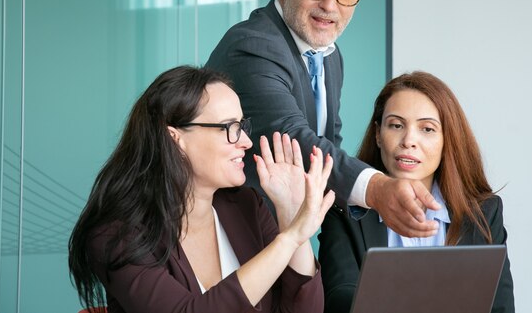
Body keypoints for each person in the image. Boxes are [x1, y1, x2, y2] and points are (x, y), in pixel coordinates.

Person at [206, 0, 439, 237]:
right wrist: (377, 188)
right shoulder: (254, 45)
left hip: (284, 236)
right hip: (231, 237)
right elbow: (292, 137)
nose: (330, 5)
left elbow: (329, 144)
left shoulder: (328, 55)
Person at [68, 66, 336, 313]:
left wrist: (292, 226)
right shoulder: (118, 236)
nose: (244, 140)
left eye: (242, 126)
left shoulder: (246, 206)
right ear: (176, 139)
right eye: (229, 127)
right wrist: (287, 239)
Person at [318, 71, 515, 313]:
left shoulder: (484, 212)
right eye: (396, 125)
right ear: (379, 134)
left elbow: (500, 306)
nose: (409, 140)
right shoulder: (343, 209)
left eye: (427, 129)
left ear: (447, 139)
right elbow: (339, 298)